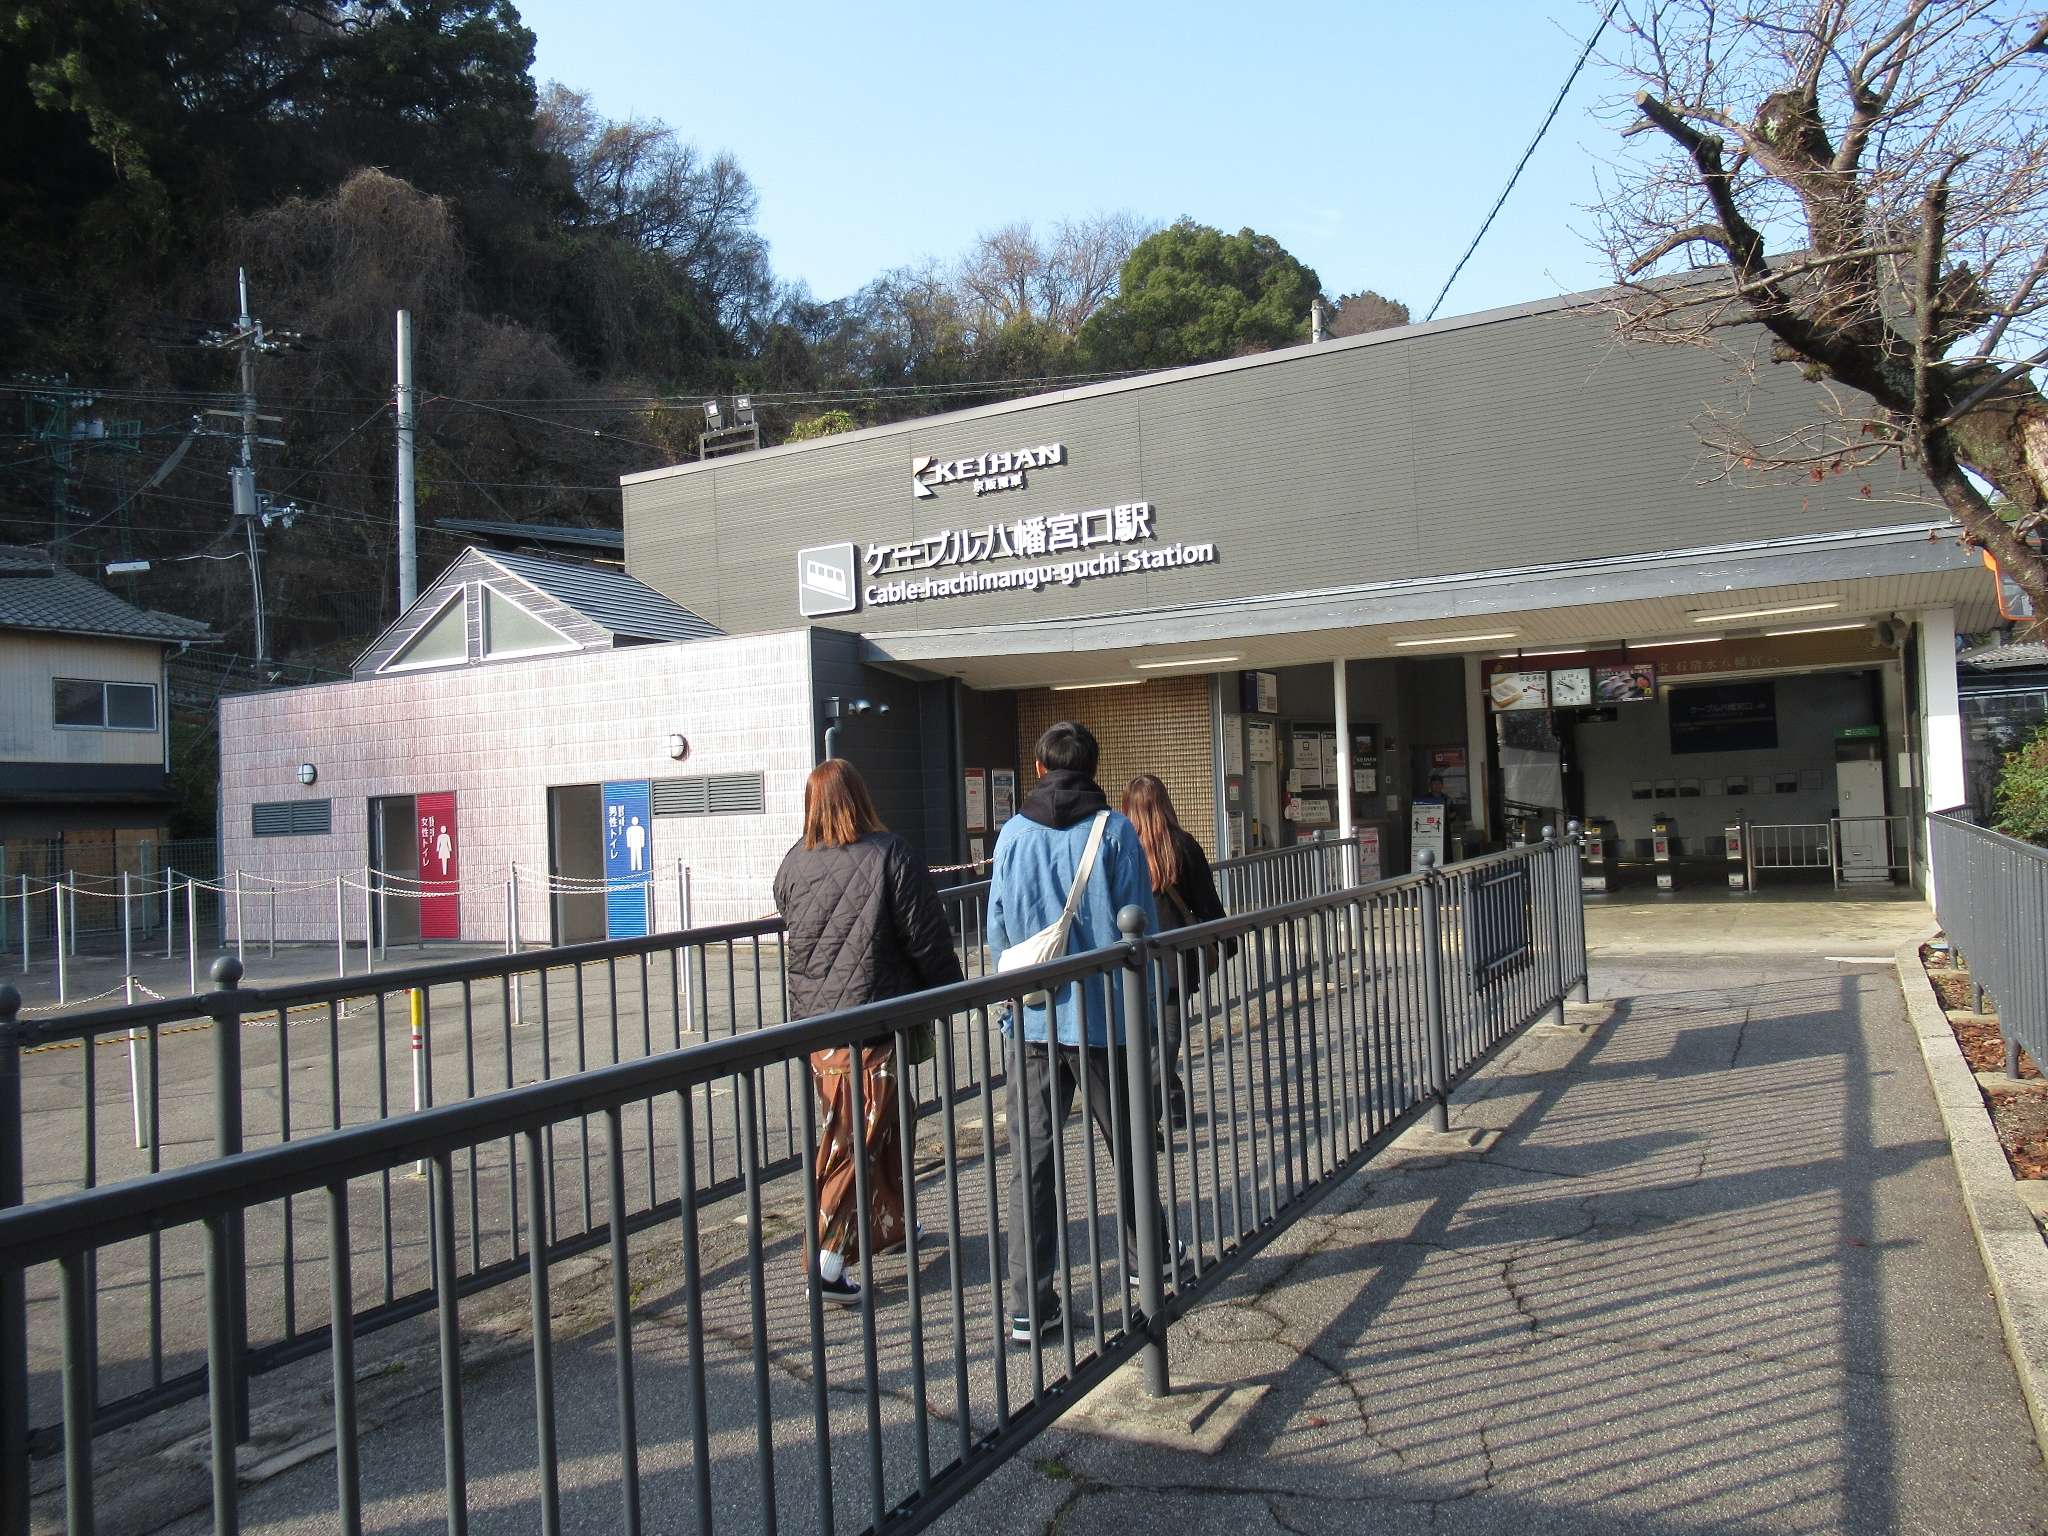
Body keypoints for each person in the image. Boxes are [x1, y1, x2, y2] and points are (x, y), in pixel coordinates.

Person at [989, 720, 1162, 1346]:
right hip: (1106, 1018)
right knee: (1129, 1142)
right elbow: (1140, 929)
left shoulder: (1012, 834)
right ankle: (1150, 1273)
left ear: (1038, 768)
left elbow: (999, 927)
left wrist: (1011, 1005)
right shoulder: (1114, 831)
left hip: (1034, 1017)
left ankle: (1029, 1308)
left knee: (1031, 1162)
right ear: (1093, 768)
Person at [773, 759, 963, 1304]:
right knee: (857, 1139)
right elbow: (926, 936)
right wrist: (951, 992)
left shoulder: (792, 863)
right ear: (860, 797)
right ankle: (827, 1263)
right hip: (874, 1018)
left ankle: (891, 1223)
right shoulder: (890, 854)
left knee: (880, 1126)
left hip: (817, 1027)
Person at [1121, 774, 1227, 1132]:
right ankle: (1157, 1110)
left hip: (1129, 963)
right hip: (1174, 963)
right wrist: (1225, 942)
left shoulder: (1120, 849)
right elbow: (1207, 904)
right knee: (1165, 1040)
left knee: (1142, 1041)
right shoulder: (1182, 846)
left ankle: (1160, 1110)